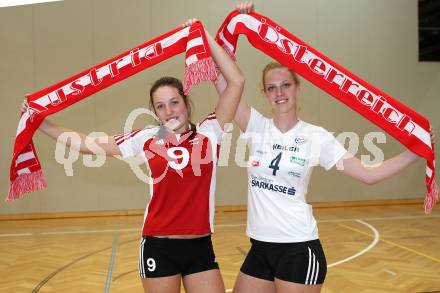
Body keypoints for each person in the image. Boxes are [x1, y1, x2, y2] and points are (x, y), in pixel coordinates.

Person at [214, 3, 435, 293]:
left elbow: (368, 174)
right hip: (260, 248)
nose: (279, 93)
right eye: (271, 87)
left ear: (298, 88)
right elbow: (221, 79)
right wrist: (240, 23)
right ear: (265, 93)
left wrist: (414, 152)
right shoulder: (256, 126)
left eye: (285, 85)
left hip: (298, 249)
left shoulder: (316, 137)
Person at [21, 19, 245, 293]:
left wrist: (202, 36)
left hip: (200, 246)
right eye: (160, 106)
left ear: (186, 102)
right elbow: (87, 145)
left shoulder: (210, 133)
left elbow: (236, 82)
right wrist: (40, 123)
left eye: (174, 102)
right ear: (155, 111)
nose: (169, 111)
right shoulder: (147, 138)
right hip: (158, 246)